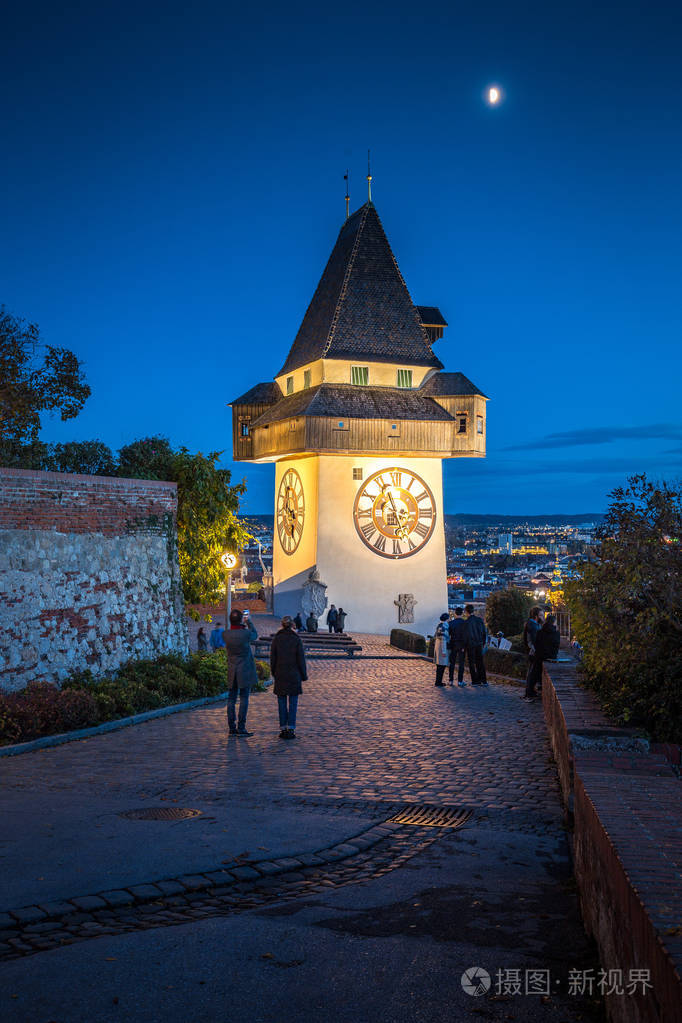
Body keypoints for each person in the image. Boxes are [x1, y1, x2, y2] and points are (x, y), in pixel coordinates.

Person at [270, 615, 308, 739]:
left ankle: (283, 728)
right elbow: (301, 660)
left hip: (280, 674)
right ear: (292, 625)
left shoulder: (277, 639)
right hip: (294, 675)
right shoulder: (296, 639)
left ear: (282, 625)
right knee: (293, 702)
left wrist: (274, 672)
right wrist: (304, 675)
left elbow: (273, 659)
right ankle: (291, 728)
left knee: (281, 702)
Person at [222, 609, 258, 735]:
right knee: (244, 699)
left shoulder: (226, 634)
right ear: (241, 619)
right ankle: (241, 727)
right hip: (244, 670)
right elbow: (255, 634)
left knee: (231, 699)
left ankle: (231, 727)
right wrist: (249, 622)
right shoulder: (246, 634)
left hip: (232, 669)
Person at [523, 613, 560, 702]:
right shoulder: (555, 632)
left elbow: (536, 643)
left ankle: (529, 692)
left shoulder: (540, 631)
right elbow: (556, 645)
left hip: (539, 655)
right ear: (554, 622)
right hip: (550, 656)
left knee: (533, 674)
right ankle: (535, 691)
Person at [464, 604, 488, 686]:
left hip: (471, 645)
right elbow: (485, 632)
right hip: (479, 644)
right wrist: (483, 642)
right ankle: (483, 680)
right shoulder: (480, 620)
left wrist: (465, 645)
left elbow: (466, 635)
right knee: (480, 662)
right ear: (473, 611)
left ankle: (475, 681)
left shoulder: (467, 622)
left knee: (471, 663)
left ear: (466, 612)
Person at [448, 607, 467, 686]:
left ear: (455, 613)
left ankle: (451, 680)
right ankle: (460, 681)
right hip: (462, 645)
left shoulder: (451, 623)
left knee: (452, 663)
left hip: (453, 644)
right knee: (461, 664)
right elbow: (466, 636)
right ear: (462, 613)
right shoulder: (465, 623)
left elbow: (448, 636)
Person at [434, 613, 450, 686]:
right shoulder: (444, 626)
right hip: (442, 648)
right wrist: (444, 651)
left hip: (438, 647)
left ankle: (438, 681)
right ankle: (438, 682)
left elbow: (436, 636)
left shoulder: (439, 625)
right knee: (442, 666)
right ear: (447, 619)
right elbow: (443, 639)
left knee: (439, 665)